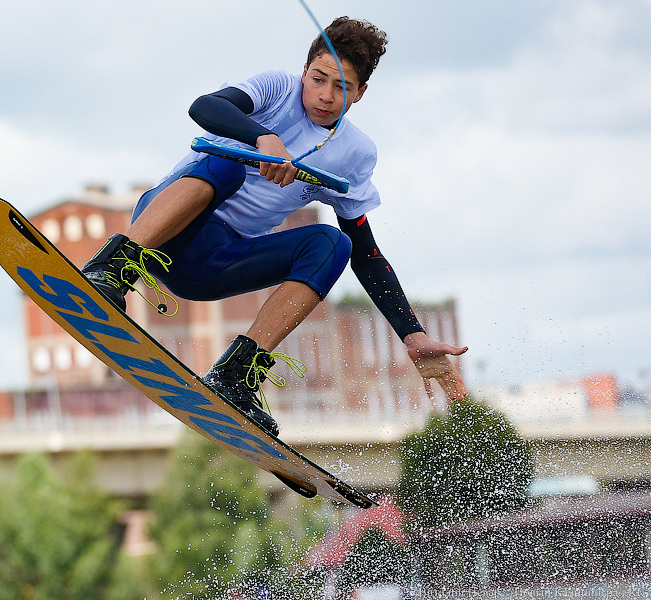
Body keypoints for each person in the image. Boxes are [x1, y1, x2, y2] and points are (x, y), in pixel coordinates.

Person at [83, 17, 468, 437]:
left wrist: (411, 334)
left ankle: (237, 376)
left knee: (333, 243)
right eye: (318, 79)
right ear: (304, 72)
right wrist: (262, 138)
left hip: (213, 266)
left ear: (361, 93)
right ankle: (111, 268)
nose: (325, 96)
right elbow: (204, 107)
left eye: (342, 87)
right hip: (167, 227)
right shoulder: (276, 89)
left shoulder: (354, 153)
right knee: (229, 162)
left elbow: (367, 254)